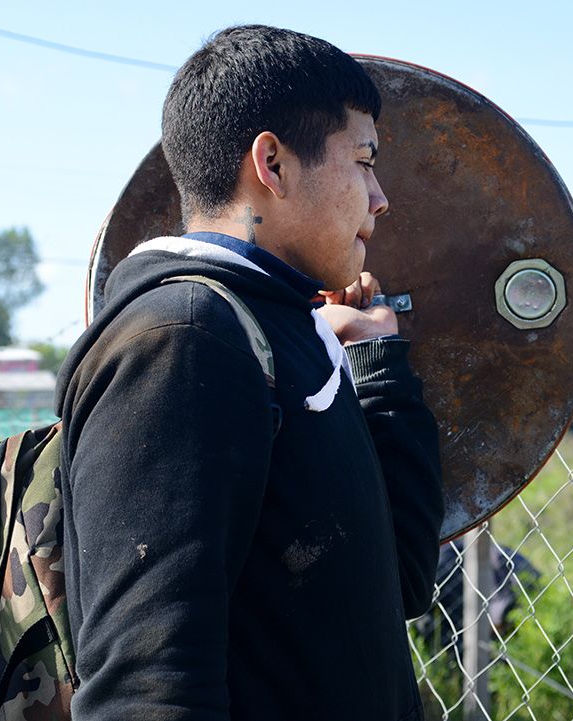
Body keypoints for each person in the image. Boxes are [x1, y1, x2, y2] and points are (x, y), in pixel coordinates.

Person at [53, 25, 445, 720]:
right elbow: (147, 688)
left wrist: (376, 366)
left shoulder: (284, 331)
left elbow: (399, 583)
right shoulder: (183, 339)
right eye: (363, 161)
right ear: (273, 163)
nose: (380, 198)